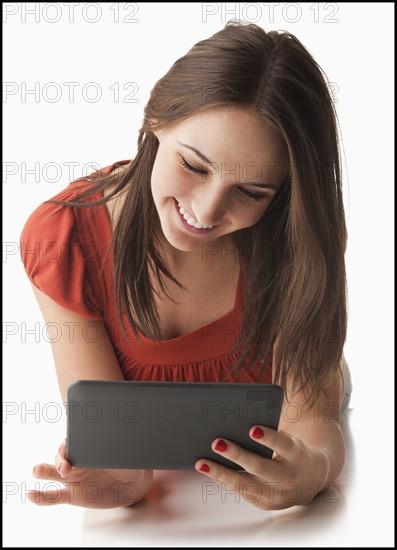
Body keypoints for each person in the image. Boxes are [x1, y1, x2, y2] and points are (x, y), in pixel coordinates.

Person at [20, 21, 351, 510]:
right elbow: (119, 452)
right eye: (195, 165)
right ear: (157, 118)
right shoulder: (63, 240)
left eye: (252, 192)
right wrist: (117, 483)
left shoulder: (297, 240)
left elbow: (314, 425)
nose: (208, 211)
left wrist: (313, 470)